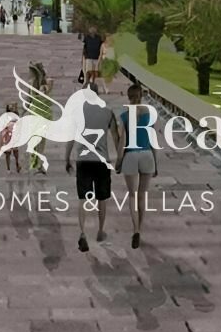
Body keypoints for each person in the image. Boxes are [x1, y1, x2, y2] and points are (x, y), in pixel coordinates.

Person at [65, 86, 121, 253]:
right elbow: (116, 137)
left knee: (83, 199)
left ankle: (82, 232)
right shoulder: (108, 112)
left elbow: (70, 138)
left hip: (83, 160)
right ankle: (100, 231)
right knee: (102, 198)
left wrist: (67, 158)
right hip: (101, 160)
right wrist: (120, 158)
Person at [116, 81, 158, 249]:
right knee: (142, 196)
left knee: (132, 196)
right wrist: (156, 163)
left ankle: (135, 230)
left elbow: (122, 142)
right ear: (141, 96)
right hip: (147, 155)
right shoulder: (150, 115)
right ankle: (140, 228)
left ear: (129, 97)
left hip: (131, 156)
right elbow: (153, 141)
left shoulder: (125, 116)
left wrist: (119, 162)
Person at [0, 102, 23, 172]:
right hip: (7, 136)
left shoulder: (16, 116)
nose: (12, 108)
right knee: (8, 153)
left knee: (15, 152)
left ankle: (17, 164)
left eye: (13, 107)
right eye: (11, 107)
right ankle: (8, 168)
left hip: (14, 135)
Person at [81, 26, 105, 93]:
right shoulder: (87, 38)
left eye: (94, 29)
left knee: (94, 72)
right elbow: (84, 47)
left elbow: (101, 46)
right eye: (91, 29)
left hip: (96, 57)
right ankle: (87, 83)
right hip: (89, 57)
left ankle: (92, 84)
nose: (92, 30)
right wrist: (84, 56)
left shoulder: (99, 38)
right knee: (88, 71)